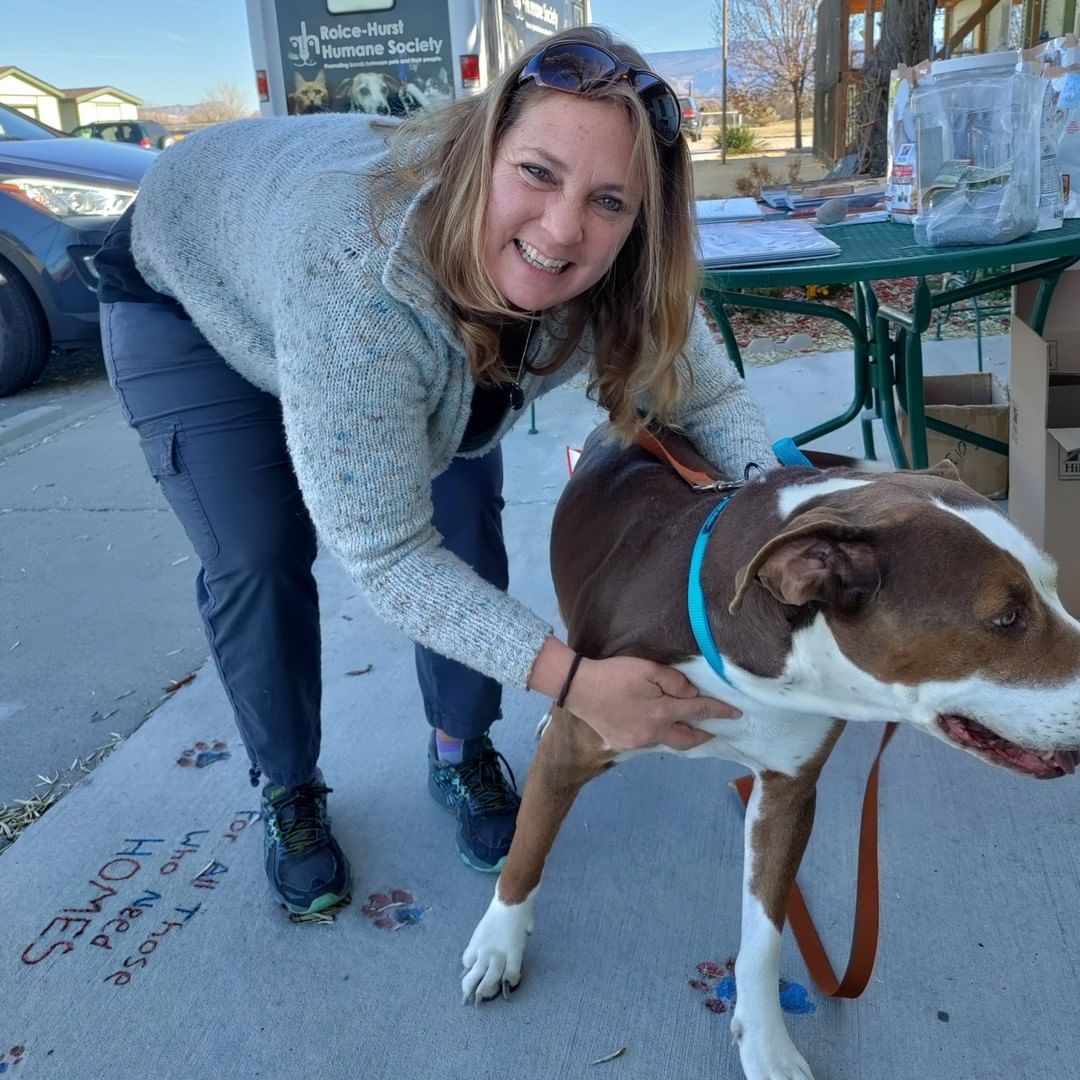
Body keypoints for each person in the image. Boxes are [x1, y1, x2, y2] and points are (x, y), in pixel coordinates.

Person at [94, 25, 776, 918]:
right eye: (537, 172)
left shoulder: (617, 271)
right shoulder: (358, 279)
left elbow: (710, 399)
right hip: (191, 289)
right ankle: (289, 787)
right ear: (476, 151)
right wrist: (575, 684)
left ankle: (460, 748)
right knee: (257, 551)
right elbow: (383, 555)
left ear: (641, 220)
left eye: (609, 201)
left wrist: (791, 511)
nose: (564, 228)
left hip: (353, 284)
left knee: (466, 514)